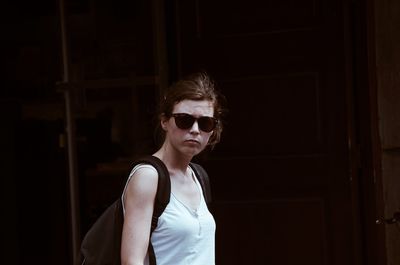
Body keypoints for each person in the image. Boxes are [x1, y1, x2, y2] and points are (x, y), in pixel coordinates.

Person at [120, 72, 226, 265]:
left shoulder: (198, 177)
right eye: (184, 120)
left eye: (205, 123)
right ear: (164, 121)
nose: (195, 129)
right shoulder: (148, 177)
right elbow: (132, 261)